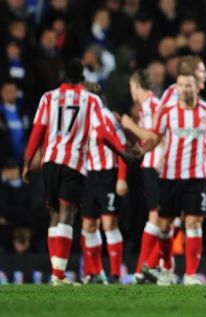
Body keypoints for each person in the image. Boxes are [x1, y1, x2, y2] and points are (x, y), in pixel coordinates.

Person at [22, 59, 128, 286]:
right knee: (67, 214)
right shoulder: (91, 100)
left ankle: (56, 273)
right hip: (73, 162)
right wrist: (122, 151)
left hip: (50, 160)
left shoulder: (48, 97)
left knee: (54, 214)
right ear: (82, 76)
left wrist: (27, 162)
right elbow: (102, 131)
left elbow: (37, 131)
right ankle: (59, 276)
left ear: (62, 75)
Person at [121, 70, 206, 285]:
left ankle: (182, 273)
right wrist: (142, 150)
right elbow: (155, 137)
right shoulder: (167, 111)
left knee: (191, 221)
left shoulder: (205, 112)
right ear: (176, 88)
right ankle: (163, 266)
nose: (185, 89)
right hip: (168, 174)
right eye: (181, 85)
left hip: (186, 173)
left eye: (189, 85)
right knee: (164, 224)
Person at [80, 82, 128, 285]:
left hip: (108, 174)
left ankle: (115, 273)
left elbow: (122, 147)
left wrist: (122, 178)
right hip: (89, 175)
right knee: (89, 224)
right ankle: (95, 272)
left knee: (109, 223)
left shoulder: (106, 117)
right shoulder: (81, 119)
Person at [128, 69, 164, 283]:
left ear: (136, 86)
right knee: (160, 218)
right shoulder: (150, 106)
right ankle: (146, 268)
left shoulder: (151, 105)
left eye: (131, 87)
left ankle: (147, 268)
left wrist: (129, 125)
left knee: (161, 218)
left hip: (156, 166)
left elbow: (153, 136)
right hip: (153, 167)